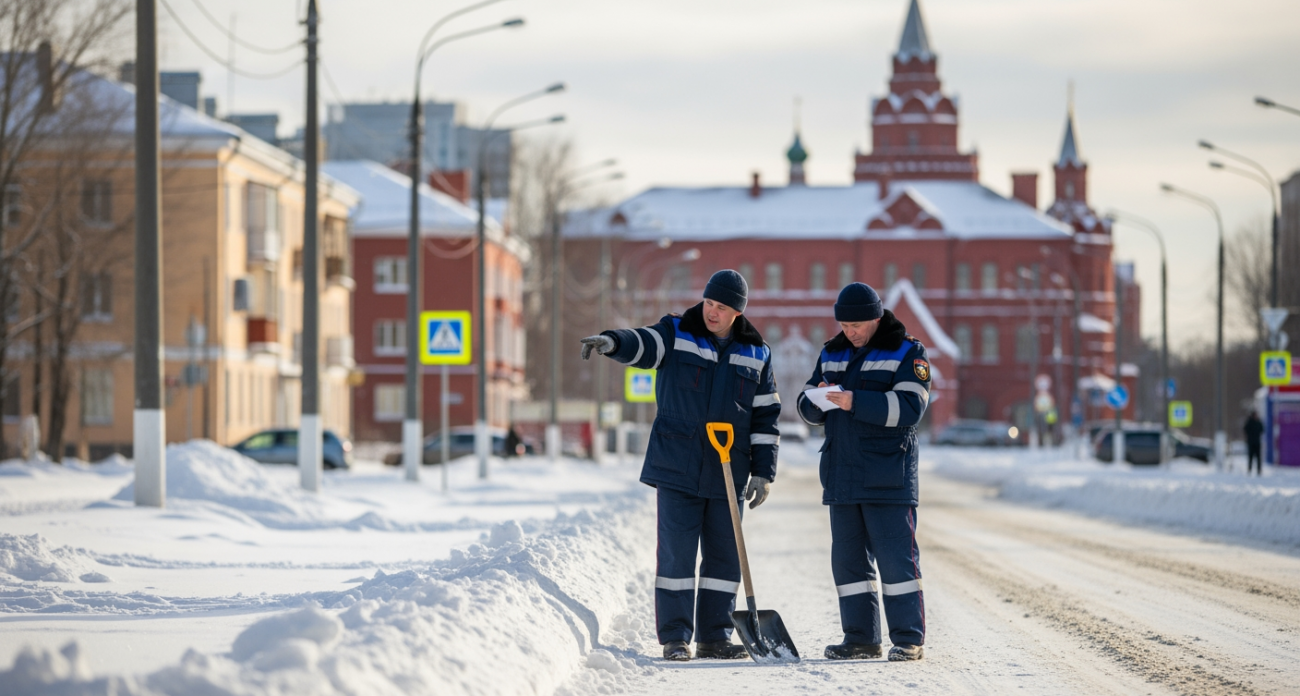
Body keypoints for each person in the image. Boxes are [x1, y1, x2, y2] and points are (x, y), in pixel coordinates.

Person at [579, 269, 781, 662]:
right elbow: (644, 343)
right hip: (678, 465)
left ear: (737, 312)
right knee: (676, 555)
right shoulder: (678, 332)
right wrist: (612, 341)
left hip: (729, 470)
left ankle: (715, 636)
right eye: (708, 303)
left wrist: (763, 472)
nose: (711, 312)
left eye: (721, 307)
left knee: (724, 557)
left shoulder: (758, 353)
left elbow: (765, 418)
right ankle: (676, 637)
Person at [797, 282, 929, 662]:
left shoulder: (908, 352)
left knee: (896, 560)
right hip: (842, 474)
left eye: (857, 324)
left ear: (875, 317)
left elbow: (910, 407)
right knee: (848, 562)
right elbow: (806, 405)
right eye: (844, 324)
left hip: (889, 475)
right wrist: (815, 401)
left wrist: (855, 400)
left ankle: (908, 638)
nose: (850, 332)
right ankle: (860, 639)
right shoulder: (831, 351)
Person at [1244, 410, 1263, 476]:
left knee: (1258, 457)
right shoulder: (1249, 422)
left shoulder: (1258, 422)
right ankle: (1250, 469)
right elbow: (1245, 429)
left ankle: (1259, 470)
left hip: (1257, 442)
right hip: (1251, 443)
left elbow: (1262, 429)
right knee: (1250, 457)